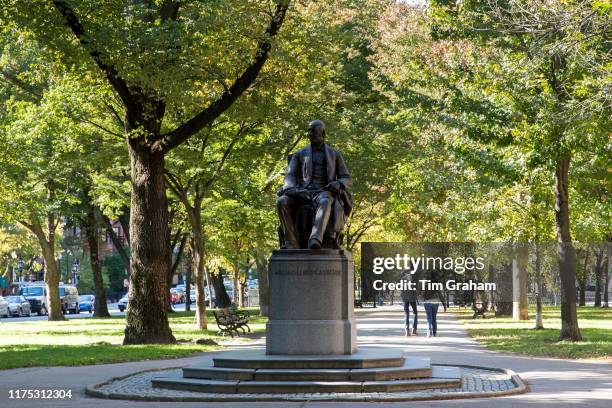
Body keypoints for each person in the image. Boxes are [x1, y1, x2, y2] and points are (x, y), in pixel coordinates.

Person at [276, 120, 352, 249]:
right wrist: (293, 190)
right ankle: (291, 242)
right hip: (302, 192)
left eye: (313, 131)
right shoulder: (299, 154)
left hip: (323, 192)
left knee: (325, 201)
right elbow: (290, 176)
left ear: (322, 133)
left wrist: (338, 183)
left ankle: (315, 239)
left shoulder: (334, 154)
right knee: (282, 201)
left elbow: (347, 178)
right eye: (309, 131)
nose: (309, 134)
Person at [422, 270, 446, 337]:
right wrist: (444, 305)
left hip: (427, 302)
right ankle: (434, 332)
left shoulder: (426, 283)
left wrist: (423, 298)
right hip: (435, 302)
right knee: (434, 317)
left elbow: (423, 293)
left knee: (429, 317)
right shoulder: (436, 283)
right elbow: (440, 295)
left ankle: (429, 332)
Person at [400, 270, 418, 336]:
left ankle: (407, 330)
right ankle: (414, 330)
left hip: (404, 298)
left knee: (406, 313)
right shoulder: (412, 279)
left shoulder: (401, 279)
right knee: (415, 312)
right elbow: (415, 289)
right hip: (412, 297)